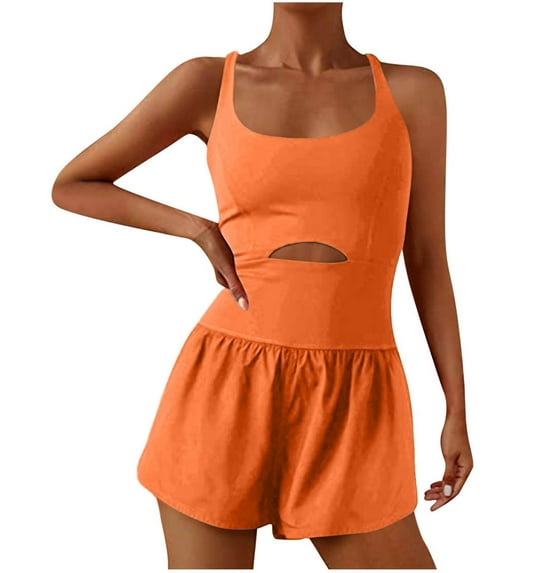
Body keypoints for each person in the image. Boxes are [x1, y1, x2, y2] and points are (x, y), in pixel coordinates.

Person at [52, 2, 473, 569]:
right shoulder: (206, 82)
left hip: (357, 394)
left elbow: (426, 258)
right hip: (227, 385)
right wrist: (197, 229)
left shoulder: (414, 92)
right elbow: (75, 184)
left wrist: (456, 408)